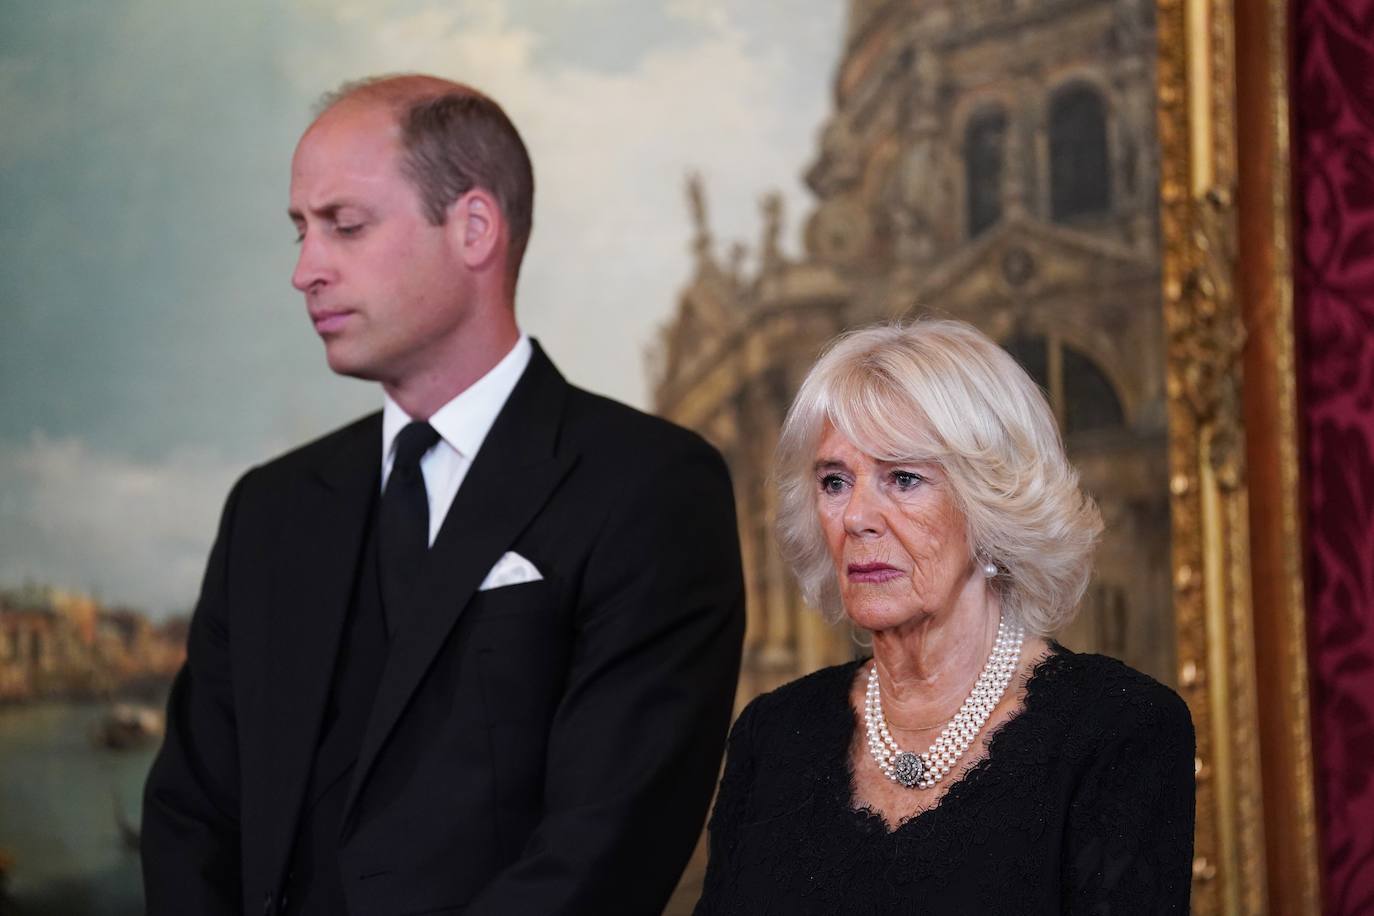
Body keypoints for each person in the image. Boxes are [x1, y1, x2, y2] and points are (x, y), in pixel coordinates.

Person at [141, 74, 745, 916]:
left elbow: (607, 847)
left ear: (473, 228)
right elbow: (191, 816)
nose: (305, 271)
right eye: (300, 232)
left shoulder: (650, 487)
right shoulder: (268, 509)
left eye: (344, 226)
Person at [694, 320, 1195, 914]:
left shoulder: (1117, 730)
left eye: (902, 477)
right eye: (834, 481)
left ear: (990, 504)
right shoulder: (772, 734)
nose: (857, 516)